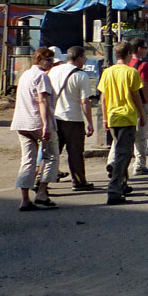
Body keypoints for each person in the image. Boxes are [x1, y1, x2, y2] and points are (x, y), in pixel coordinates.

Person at [10, 47, 59, 211]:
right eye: (49, 60)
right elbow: (42, 101)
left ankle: (25, 199)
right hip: (37, 121)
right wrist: (46, 125)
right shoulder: (41, 76)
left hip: (22, 122)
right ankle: (42, 192)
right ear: (39, 60)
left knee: (27, 160)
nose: (51, 63)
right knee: (51, 156)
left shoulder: (25, 75)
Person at [98, 41, 146, 205]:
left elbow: (103, 98)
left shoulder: (107, 72)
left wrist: (105, 117)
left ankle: (123, 184)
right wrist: (142, 114)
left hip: (113, 117)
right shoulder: (131, 72)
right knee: (123, 154)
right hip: (127, 116)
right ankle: (114, 189)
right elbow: (136, 96)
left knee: (120, 150)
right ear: (128, 54)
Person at [50, 46, 94, 192]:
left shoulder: (54, 71)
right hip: (73, 118)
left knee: (53, 151)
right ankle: (79, 181)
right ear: (79, 58)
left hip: (55, 116)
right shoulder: (81, 76)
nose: (85, 60)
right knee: (75, 152)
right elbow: (85, 102)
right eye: (84, 57)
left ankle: (42, 180)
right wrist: (90, 122)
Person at [126, 38, 148, 175]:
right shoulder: (142, 65)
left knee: (123, 136)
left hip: (125, 103)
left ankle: (113, 162)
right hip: (139, 104)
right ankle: (139, 165)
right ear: (139, 49)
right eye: (145, 47)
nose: (147, 50)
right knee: (140, 136)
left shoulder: (126, 64)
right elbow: (144, 86)